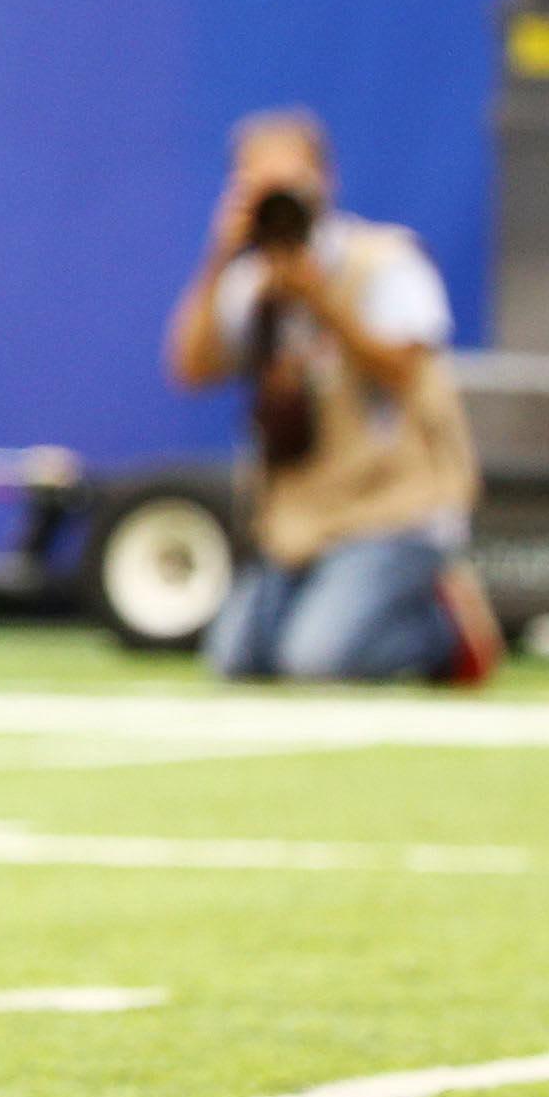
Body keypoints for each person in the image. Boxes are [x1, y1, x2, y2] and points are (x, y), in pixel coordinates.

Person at [165, 111, 494, 683]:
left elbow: (404, 371)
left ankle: (443, 629)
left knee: (318, 662)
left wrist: (322, 302)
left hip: (393, 512)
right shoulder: (253, 282)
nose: (277, 201)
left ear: (325, 183)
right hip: (300, 519)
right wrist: (220, 257)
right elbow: (191, 368)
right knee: (234, 662)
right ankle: (337, 610)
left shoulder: (385, 261)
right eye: (258, 188)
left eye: (288, 185)